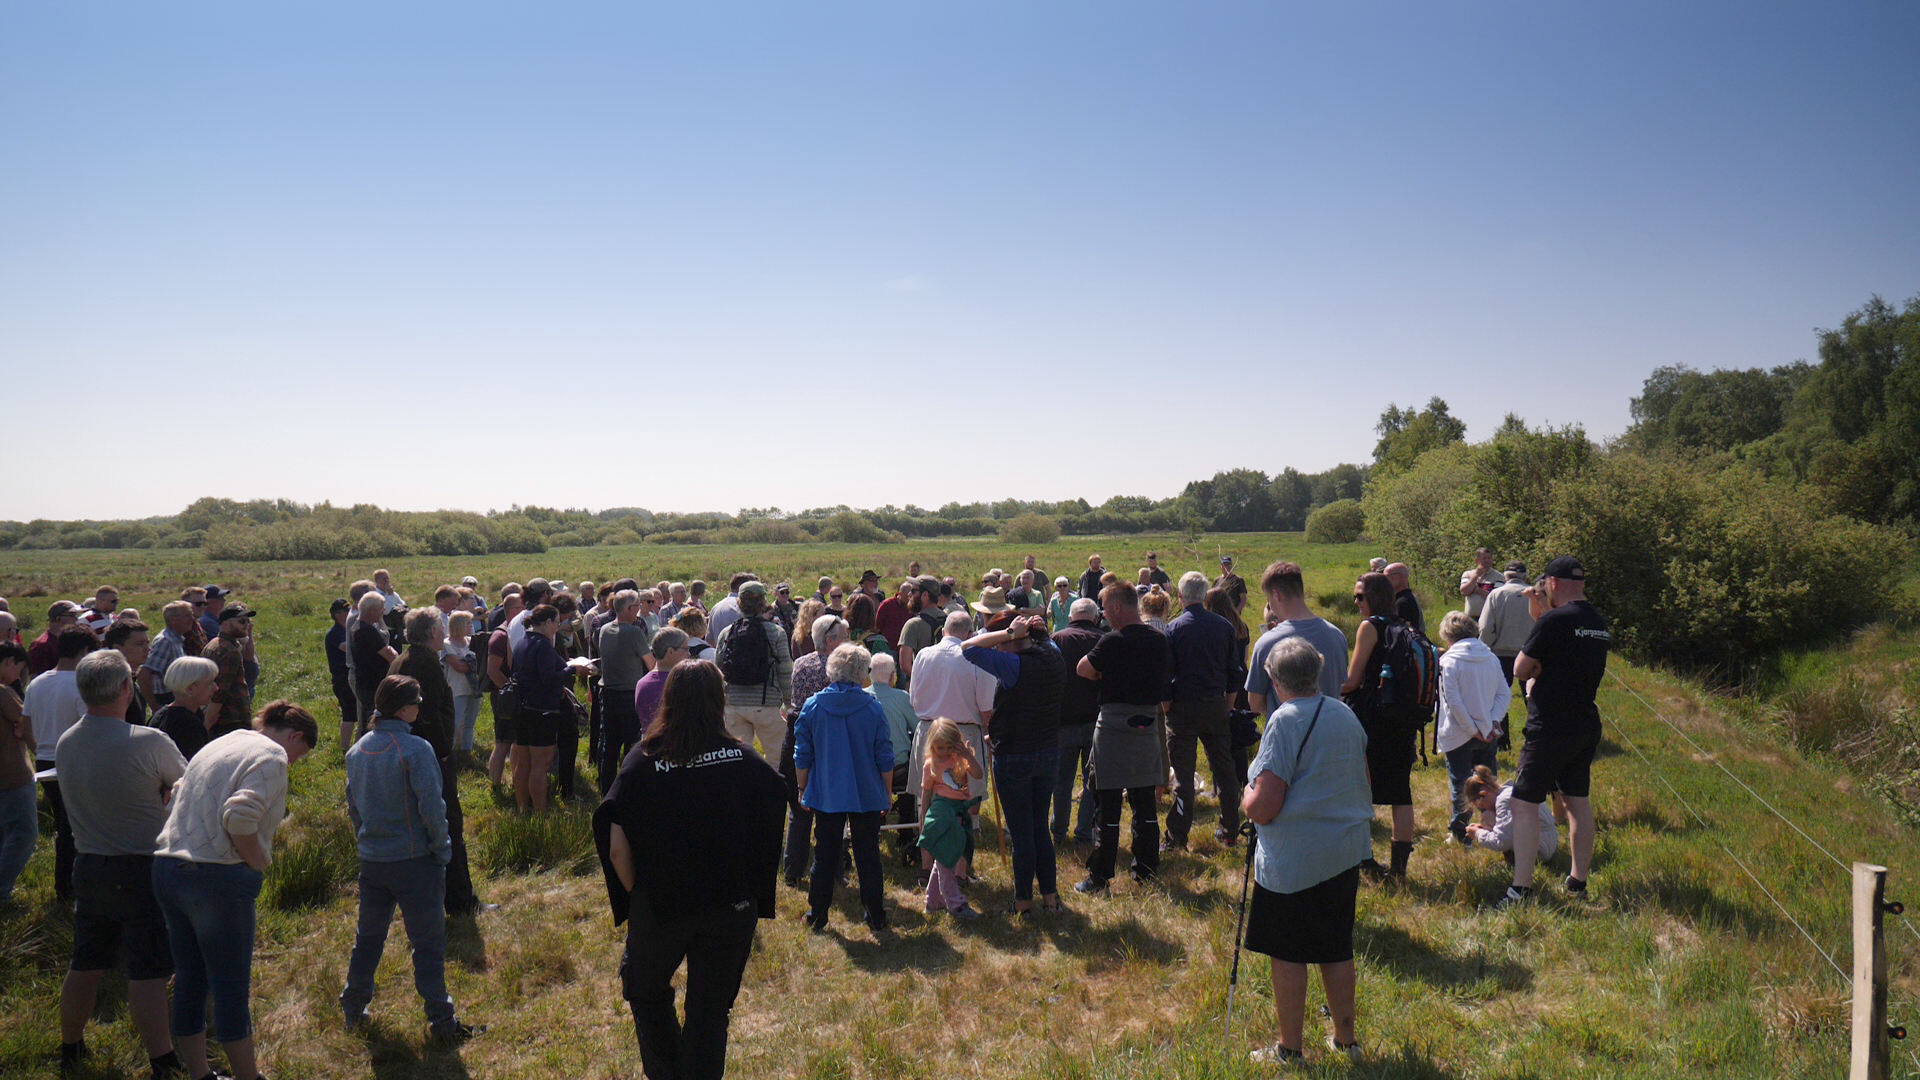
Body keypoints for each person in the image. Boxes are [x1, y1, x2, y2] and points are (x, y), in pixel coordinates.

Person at [593, 659, 785, 1080]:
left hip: (662, 906)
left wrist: (639, 894)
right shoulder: (745, 758)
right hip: (731, 907)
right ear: (720, 701)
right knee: (710, 1012)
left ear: (670, 700)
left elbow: (617, 847)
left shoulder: (643, 761)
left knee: (646, 992)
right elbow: (772, 816)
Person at [151, 701, 316, 1080]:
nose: (293, 763)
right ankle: (248, 1076)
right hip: (217, 878)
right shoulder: (271, 755)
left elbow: (175, 796)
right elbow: (240, 817)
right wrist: (257, 860)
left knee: (190, 980)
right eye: (300, 755)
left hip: (167, 866)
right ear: (295, 736)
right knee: (230, 987)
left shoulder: (219, 744)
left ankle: (200, 1074)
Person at [53, 649, 189, 1078]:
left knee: (86, 964)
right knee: (148, 972)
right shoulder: (148, 741)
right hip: (141, 868)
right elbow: (187, 788)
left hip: (89, 865)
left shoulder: (67, 741)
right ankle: (162, 1060)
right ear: (127, 689)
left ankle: (70, 1048)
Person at [1240, 637, 1372, 1067]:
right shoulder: (1345, 713)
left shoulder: (1284, 720)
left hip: (1295, 858)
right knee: (1336, 946)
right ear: (1317, 672)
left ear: (1275, 681)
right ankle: (1346, 1041)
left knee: (1289, 951)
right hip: (1344, 850)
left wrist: (1245, 795)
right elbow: (1363, 778)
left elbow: (1263, 806)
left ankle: (1290, 1049)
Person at [340, 676, 476, 1044]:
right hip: (415, 860)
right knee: (428, 944)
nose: (419, 708)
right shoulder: (415, 749)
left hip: (373, 861)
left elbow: (354, 807)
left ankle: (353, 1007)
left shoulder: (357, 751)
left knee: (368, 938)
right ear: (402, 710)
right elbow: (432, 806)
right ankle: (442, 1021)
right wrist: (443, 849)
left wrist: (366, 841)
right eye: (416, 702)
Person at [1501, 556, 1610, 907]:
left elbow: (1520, 669)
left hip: (1550, 724)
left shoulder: (1554, 620)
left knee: (1523, 803)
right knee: (1577, 803)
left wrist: (1539, 665)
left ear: (1553, 583)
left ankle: (1521, 889)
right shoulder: (1598, 622)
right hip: (1585, 722)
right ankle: (1578, 882)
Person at [961, 612, 1066, 916]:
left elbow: (968, 648)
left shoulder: (1014, 665)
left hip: (1015, 756)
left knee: (1022, 833)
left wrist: (1008, 633)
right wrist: (1031, 631)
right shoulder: (1054, 656)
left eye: (1002, 645)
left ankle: (1023, 902)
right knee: (1039, 828)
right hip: (1047, 751)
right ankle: (1050, 898)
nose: (998, 650)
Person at [1075, 583, 1172, 893]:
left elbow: (1083, 669)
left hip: (1114, 726)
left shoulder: (1112, 641)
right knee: (1145, 804)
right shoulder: (1159, 639)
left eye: (1105, 608)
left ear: (1117, 607)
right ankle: (1146, 870)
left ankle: (1100, 876)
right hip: (1147, 723)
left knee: (1107, 805)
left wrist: (1104, 674)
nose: (1104, 615)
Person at [793, 644, 894, 933]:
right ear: (863, 673)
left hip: (827, 791)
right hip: (866, 791)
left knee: (825, 853)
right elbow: (885, 756)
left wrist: (802, 787)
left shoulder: (813, 706)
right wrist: (887, 791)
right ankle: (876, 915)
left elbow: (802, 755)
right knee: (868, 854)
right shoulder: (873, 707)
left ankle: (817, 914)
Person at [390, 609, 484, 915]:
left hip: (409, 753)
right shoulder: (426, 663)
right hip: (429, 757)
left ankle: (429, 897)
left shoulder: (403, 658)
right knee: (448, 825)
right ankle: (461, 900)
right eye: (440, 629)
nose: (444, 634)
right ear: (432, 633)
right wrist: (444, 752)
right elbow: (429, 714)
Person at [906, 610, 998, 878]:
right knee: (964, 804)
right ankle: (959, 871)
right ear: (970, 633)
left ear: (944, 631)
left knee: (927, 800)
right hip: (962, 736)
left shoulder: (923, 655)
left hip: (930, 731)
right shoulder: (977, 658)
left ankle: (928, 867)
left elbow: (913, 698)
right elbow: (987, 709)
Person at [1340, 572, 1417, 880]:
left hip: (1371, 719)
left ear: (1374, 597)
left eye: (1360, 596)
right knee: (1401, 793)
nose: (1356, 602)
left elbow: (1351, 681)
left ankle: (1363, 858)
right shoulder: (1404, 626)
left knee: (1359, 788)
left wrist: (1328, 685)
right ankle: (1399, 870)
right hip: (1402, 718)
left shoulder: (1369, 627)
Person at [1162, 572, 1241, 851]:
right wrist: (1228, 703)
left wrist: (1167, 705)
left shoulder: (1173, 628)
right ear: (1205, 595)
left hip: (1183, 706)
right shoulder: (1224, 626)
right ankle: (1230, 829)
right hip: (1215, 703)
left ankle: (1177, 836)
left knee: (1184, 776)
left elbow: (1165, 674)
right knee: (1224, 769)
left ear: (1180, 596)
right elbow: (1234, 671)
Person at [26, 626, 93, 902]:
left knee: (64, 825)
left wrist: (41, 751)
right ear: (85, 652)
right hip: (74, 760)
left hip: (44, 759)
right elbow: (89, 727)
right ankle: (69, 887)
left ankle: (65, 887)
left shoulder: (37, 683)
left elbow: (26, 726)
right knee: (75, 828)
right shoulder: (82, 684)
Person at [784, 615, 849, 886]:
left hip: (797, 736)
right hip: (826, 741)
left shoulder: (800, 663)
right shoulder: (838, 668)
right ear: (830, 640)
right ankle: (833, 870)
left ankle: (792, 870)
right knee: (830, 811)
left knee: (799, 811)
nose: (847, 642)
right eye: (843, 637)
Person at [1435, 611, 1510, 844]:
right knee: (1488, 783)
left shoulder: (1448, 661)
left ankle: (1461, 833)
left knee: (1461, 784)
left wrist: (1471, 729)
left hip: (1459, 733)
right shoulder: (1490, 657)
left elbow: (1453, 701)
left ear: (1448, 636)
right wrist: (1493, 722)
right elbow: (1504, 693)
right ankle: (1496, 826)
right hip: (1488, 732)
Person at [511, 605, 590, 813]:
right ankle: (540, 813)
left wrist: (567, 666)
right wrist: (573, 670)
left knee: (523, 763)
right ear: (547, 623)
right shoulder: (543, 645)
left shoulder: (522, 641)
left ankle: (522, 809)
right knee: (541, 765)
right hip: (541, 710)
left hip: (521, 708)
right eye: (556, 622)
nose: (557, 627)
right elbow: (549, 679)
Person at [714, 583, 793, 764]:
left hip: (734, 705)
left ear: (740, 603)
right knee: (777, 759)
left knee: (736, 761)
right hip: (766, 703)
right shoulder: (776, 633)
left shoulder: (727, 633)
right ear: (763, 602)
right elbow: (785, 672)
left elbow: (718, 669)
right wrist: (788, 703)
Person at [917, 718, 984, 920]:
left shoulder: (960, 759)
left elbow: (978, 774)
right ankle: (956, 904)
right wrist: (923, 820)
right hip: (941, 813)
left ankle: (933, 900)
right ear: (932, 746)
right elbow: (926, 794)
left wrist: (967, 755)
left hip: (959, 811)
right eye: (940, 748)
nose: (945, 752)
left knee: (945, 857)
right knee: (946, 859)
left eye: (949, 747)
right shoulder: (931, 764)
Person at [1049, 598, 1103, 847]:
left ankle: (1059, 831)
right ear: (1095, 618)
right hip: (1095, 719)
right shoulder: (1103, 639)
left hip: (1063, 719)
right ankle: (1084, 832)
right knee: (1092, 781)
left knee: (1062, 781)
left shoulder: (1057, 639)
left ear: (1070, 618)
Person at [599, 590, 654, 790]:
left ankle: (606, 788)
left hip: (607, 693)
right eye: (637, 606)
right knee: (632, 747)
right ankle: (629, 788)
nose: (639, 610)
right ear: (630, 608)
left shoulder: (604, 629)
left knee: (609, 746)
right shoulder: (634, 632)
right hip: (629, 695)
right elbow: (651, 664)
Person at [865, 652, 919, 856]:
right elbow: (918, 728)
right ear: (892, 677)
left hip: (868, 771)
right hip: (898, 770)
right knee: (909, 777)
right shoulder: (902, 698)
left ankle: (875, 822)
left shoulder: (861, 698)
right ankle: (906, 830)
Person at [1462, 765, 1557, 863]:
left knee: (1487, 817)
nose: (1486, 809)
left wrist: (1477, 833)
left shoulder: (1503, 801)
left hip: (1539, 850)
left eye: (1482, 805)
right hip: (1548, 841)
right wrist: (1483, 828)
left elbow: (1502, 842)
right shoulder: (1511, 790)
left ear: (1485, 793)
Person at [0, 643, 34, 904]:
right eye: (20, 670)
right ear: (9, 661)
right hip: (13, 774)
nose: (19, 677)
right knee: (24, 833)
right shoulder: (3, 693)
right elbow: (24, 723)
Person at [153, 656, 225, 761]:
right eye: (210, 683)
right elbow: (194, 766)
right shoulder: (189, 725)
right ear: (190, 689)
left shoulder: (160, 715)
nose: (216, 688)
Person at [348, 593, 396, 743]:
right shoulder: (367, 631)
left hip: (364, 682)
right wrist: (390, 650)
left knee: (365, 720)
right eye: (381, 608)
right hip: (372, 684)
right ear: (372, 610)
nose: (383, 611)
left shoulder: (356, 627)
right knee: (373, 722)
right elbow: (391, 657)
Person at [145, 601, 198, 709]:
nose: (192, 619)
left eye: (191, 615)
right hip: (165, 699)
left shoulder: (176, 640)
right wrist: (154, 705)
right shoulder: (166, 641)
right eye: (187, 616)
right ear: (172, 620)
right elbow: (144, 673)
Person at [445, 611, 482, 755]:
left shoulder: (471, 642)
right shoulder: (446, 644)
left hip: (473, 688)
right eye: (468, 623)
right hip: (457, 689)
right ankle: (450, 752)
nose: (471, 626)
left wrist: (471, 664)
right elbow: (459, 667)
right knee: (454, 723)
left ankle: (467, 751)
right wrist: (475, 665)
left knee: (469, 723)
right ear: (459, 625)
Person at [105, 620, 152, 725]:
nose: (148, 649)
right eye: (140, 644)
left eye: (147, 643)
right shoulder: (113, 687)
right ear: (118, 649)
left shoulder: (131, 681)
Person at [324, 598, 355, 737]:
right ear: (337, 615)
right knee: (349, 715)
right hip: (342, 679)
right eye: (346, 611)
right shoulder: (335, 633)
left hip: (351, 676)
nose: (350, 613)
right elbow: (347, 648)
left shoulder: (348, 629)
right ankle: (345, 746)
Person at [1384, 562, 1427, 641]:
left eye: (1387, 577)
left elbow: (1401, 634)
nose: (1384, 581)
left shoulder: (1402, 602)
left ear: (1399, 577)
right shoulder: (1410, 596)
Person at [1458, 548, 1504, 619]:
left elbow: (1496, 598)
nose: (1487, 561)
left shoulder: (1499, 577)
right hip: (1470, 618)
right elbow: (1464, 591)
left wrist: (1476, 590)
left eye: (1489, 558)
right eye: (1484, 558)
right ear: (1477, 560)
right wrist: (1476, 575)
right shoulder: (1468, 574)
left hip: (1489, 618)